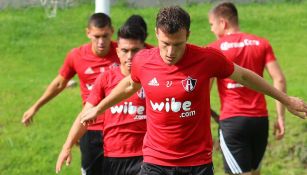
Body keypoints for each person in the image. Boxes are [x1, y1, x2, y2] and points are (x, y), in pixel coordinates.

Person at [79, 6, 307, 175]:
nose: (170, 52)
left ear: (187, 35)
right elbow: (129, 84)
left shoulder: (207, 58)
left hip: (196, 162)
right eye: (165, 43)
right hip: (155, 161)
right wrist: (98, 108)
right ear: (157, 34)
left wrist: (285, 100)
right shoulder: (143, 61)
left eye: (177, 44)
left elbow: (245, 75)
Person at [21, 13, 119, 175]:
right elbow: (60, 83)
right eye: (96, 36)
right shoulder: (77, 56)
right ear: (88, 33)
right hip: (89, 127)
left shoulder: (124, 52)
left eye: (105, 36)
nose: (101, 42)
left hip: (118, 127)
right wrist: (35, 106)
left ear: (112, 32)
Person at [56, 16, 150, 175]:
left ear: (144, 50)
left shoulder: (152, 78)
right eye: (125, 51)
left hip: (144, 156)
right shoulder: (106, 78)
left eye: (135, 51)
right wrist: (67, 146)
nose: (129, 57)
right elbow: (85, 115)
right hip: (112, 157)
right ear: (118, 51)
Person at [207, 2, 287, 175]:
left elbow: (205, 91)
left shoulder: (215, 50)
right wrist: (280, 117)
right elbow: (279, 79)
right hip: (260, 120)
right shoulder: (261, 43)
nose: (212, 30)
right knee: (255, 172)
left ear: (223, 22)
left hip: (233, 122)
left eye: (212, 25)